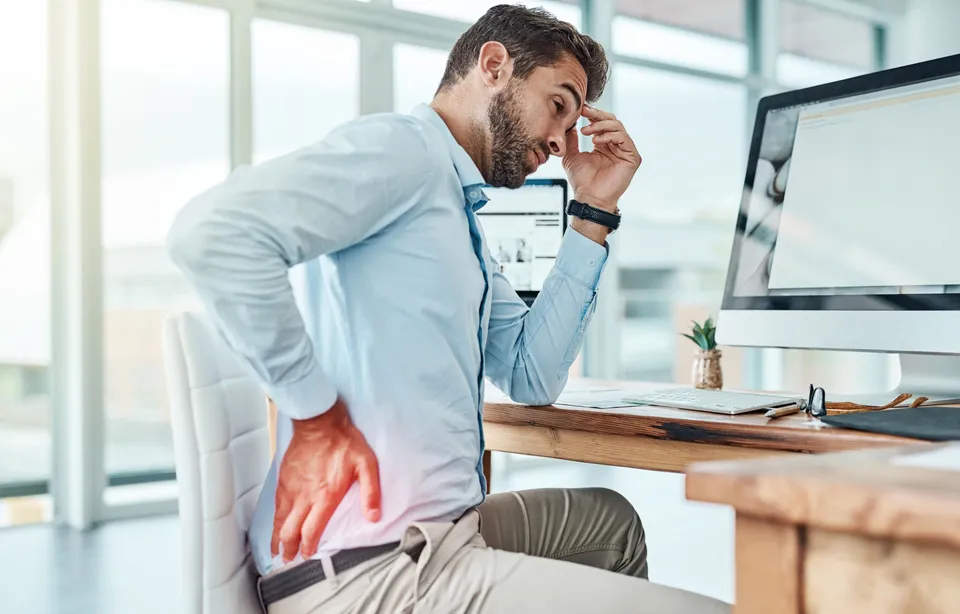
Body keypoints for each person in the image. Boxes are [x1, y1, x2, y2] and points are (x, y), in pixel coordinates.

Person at [166, 5, 728, 613]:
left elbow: (532, 375)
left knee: (609, 523)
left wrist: (593, 210)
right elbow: (212, 232)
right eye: (559, 105)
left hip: (441, 538)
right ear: (493, 65)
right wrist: (314, 415)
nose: (562, 142)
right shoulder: (402, 152)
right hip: (375, 573)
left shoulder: (458, 219)